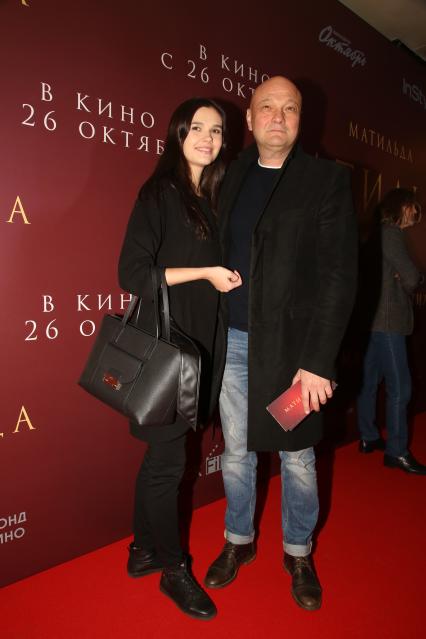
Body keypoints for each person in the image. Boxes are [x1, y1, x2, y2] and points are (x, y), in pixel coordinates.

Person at [203, 76, 358, 611]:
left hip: (294, 355)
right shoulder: (230, 174)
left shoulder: (326, 180)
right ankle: (238, 540)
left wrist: (318, 361)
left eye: (289, 108)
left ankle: (298, 550)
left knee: (296, 457)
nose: (277, 116)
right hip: (234, 343)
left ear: (300, 120)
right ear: (248, 119)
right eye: (266, 106)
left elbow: (339, 277)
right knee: (237, 452)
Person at [118, 97, 242, 620]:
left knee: (161, 460)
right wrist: (207, 273)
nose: (207, 138)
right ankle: (173, 569)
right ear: (177, 134)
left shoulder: (206, 198)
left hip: (195, 348)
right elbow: (132, 274)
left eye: (216, 130)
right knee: (169, 464)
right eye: (197, 128)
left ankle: (143, 550)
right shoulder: (161, 193)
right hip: (168, 350)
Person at [357, 188, 426, 474]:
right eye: (413, 209)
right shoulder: (392, 234)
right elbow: (411, 277)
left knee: (369, 382)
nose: (416, 215)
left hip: (372, 320)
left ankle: (368, 436)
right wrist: (415, 277)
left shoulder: (374, 234)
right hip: (388, 321)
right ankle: (397, 452)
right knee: (401, 387)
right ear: (401, 207)